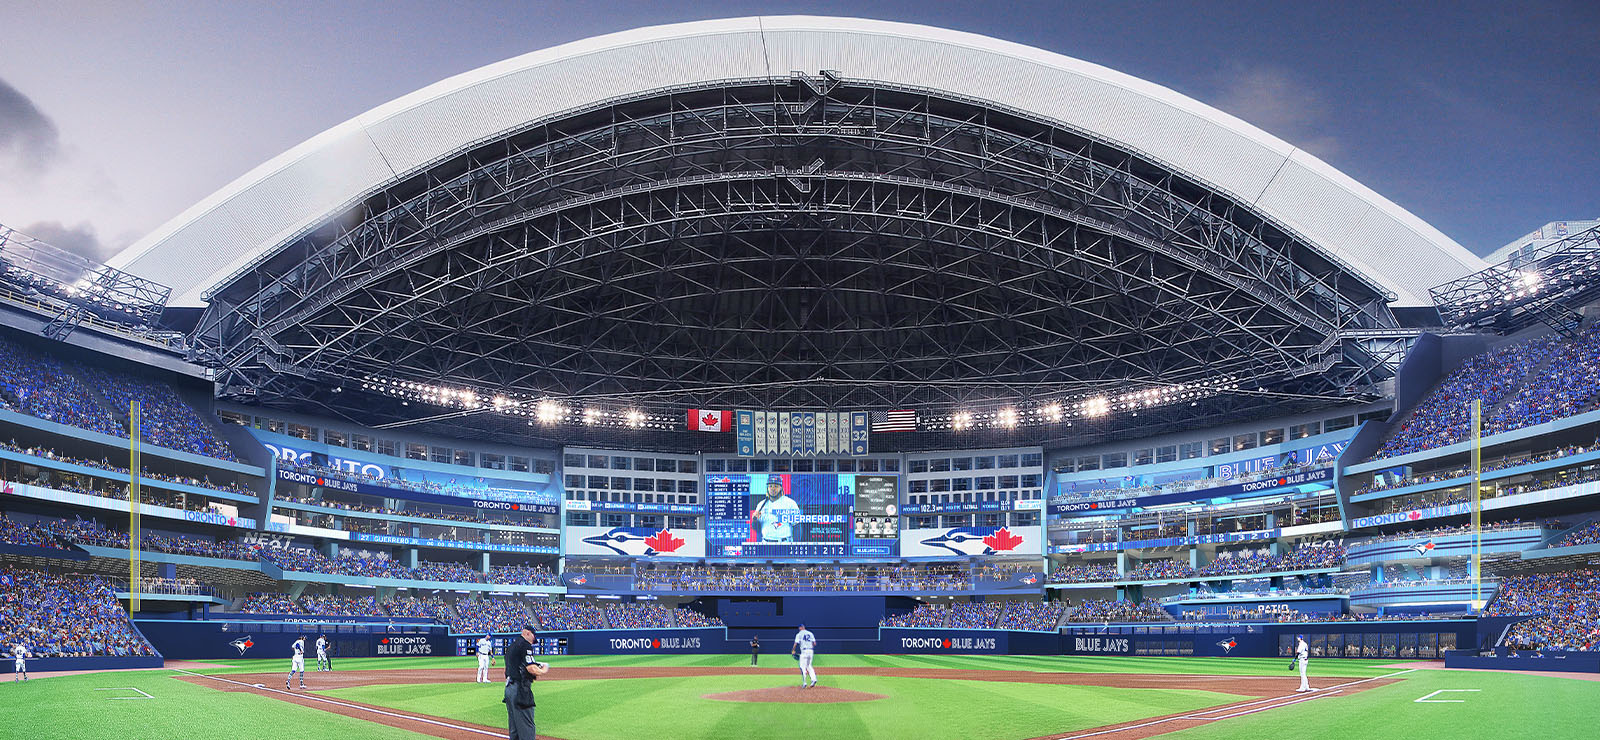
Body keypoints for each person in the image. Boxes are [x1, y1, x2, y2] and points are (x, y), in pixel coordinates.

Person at [504, 624, 549, 740]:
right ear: (528, 633)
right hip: (520, 690)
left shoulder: (512, 646)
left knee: (514, 730)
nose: (533, 641)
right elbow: (531, 668)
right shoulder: (525, 645)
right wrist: (544, 670)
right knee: (527, 728)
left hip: (509, 689)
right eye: (533, 637)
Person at [751, 476, 800, 543]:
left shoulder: (790, 503)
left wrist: (796, 544)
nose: (773, 489)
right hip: (766, 542)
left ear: (781, 488)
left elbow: (797, 526)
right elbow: (757, 529)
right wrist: (754, 520)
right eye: (770, 486)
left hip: (784, 542)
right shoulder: (761, 505)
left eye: (776, 486)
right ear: (767, 488)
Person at [792, 623, 817, 688]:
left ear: (801, 627)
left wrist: (793, 650)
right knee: (809, 666)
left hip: (804, 651)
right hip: (811, 651)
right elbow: (814, 643)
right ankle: (814, 679)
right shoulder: (810, 633)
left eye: (799, 628)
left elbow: (795, 643)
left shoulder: (799, 634)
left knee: (802, 666)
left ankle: (805, 682)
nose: (799, 629)